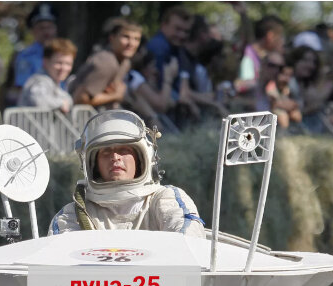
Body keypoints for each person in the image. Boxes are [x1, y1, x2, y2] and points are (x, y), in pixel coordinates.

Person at [49, 109, 204, 237]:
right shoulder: (73, 215)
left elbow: (187, 238)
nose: (115, 157)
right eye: (105, 152)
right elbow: (62, 254)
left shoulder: (164, 199)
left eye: (124, 150)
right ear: (93, 164)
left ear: (142, 158)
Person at [69, 18, 142, 110]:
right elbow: (79, 98)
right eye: (126, 37)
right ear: (112, 38)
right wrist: (116, 96)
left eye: (136, 39)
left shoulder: (125, 62)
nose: (131, 43)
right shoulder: (106, 62)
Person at [235, 15, 285, 111]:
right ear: (270, 36)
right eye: (281, 36)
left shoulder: (262, 56)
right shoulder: (248, 58)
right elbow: (246, 89)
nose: (282, 41)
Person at [18, 38, 76, 112]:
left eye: (68, 64)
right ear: (45, 62)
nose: (63, 68)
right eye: (59, 63)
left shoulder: (55, 83)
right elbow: (39, 101)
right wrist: (61, 104)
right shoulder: (39, 81)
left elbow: (68, 100)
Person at [145, 5, 193, 90]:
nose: (182, 35)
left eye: (186, 31)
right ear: (164, 25)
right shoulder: (158, 47)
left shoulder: (177, 49)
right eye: (178, 29)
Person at [12, 3, 58, 93]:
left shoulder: (63, 53)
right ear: (33, 31)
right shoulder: (25, 56)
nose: (46, 32)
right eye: (41, 28)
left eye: (49, 27)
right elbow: (23, 88)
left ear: (55, 29)